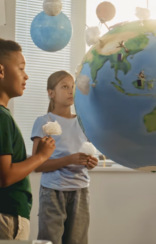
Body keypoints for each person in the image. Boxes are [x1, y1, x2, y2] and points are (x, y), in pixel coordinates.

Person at [0, 39, 56, 239]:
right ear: (0, 71)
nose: (26, 75)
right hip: (3, 214)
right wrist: (41, 156)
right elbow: (4, 176)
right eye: (21, 68)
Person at [31, 70, 98, 244]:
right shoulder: (43, 122)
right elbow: (37, 165)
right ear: (50, 93)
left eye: (73, 87)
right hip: (52, 192)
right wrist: (69, 160)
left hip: (81, 191)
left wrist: (91, 162)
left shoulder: (83, 122)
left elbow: (89, 158)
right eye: (65, 87)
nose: (71, 91)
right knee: (49, 241)